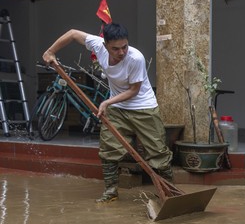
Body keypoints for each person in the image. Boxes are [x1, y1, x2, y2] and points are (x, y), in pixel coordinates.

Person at [42, 23, 173, 203]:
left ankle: (169, 192)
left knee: (158, 151)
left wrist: (107, 102)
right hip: (117, 109)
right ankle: (111, 192)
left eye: (124, 47)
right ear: (105, 46)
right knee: (109, 150)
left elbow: (134, 90)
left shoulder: (136, 59)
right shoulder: (98, 45)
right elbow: (72, 34)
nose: (121, 52)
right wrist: (50, 51)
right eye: (115, 48)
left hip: (143, 108)